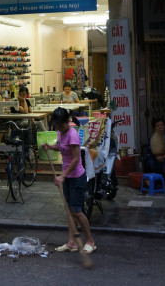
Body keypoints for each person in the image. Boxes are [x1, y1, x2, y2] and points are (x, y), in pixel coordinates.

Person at [41, 107, 96, 254]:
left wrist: (63, 175)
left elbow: (76, 159)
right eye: (56, 125)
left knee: (77, 211)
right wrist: (49, 147)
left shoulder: (73, 135)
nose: (58, 128)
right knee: (70, 211)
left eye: (60, 125)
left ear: (67, 122)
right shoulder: (61, 132)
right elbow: (61, 147)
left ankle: (90, 241)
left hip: (76, 177)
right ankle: (72, 243)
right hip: (67, 178)